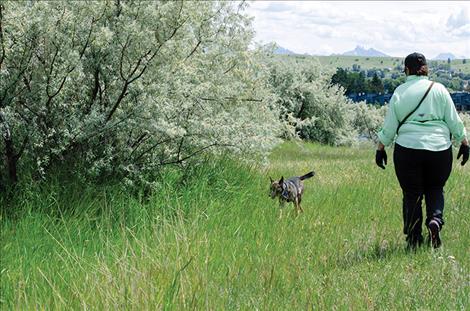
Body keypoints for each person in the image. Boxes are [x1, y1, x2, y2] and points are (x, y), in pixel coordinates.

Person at [375, 52, 469, 249]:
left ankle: (414, 240)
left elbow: (390, 125)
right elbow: (454, 120)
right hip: (439, 149)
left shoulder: (400, 91)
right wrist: (464, 142)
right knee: (435, 188)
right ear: (426, 68)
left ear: (407, 70)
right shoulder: (440, 89)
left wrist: (381, 147)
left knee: (412, 194)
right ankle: (435, 221)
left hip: (408, 149)